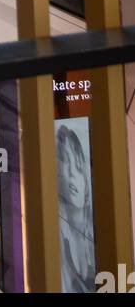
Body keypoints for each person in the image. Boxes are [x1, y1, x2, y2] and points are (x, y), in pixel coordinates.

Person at [56, 123, 96, 292]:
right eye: (66, 162)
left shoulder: (98, 228)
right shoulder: (56, 237)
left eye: (78, 166)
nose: (72, 172)